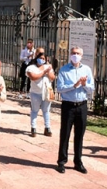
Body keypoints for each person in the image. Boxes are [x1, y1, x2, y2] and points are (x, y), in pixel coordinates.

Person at [55, 46, 94, 174]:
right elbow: (60, 88)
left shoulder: (87, 70)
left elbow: (91, 89)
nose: (75, 55)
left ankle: (78, 161)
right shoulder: (64, 70)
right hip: (68, 105)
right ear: (70, 54)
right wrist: (74, 85)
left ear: (82, 56)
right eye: (73, 53)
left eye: (78, 53)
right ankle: (61, 161)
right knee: (65, 134)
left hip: (82, 105)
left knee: (79, 135)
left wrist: (84, 85)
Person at [26, 48, 55, 137]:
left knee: (46, 110)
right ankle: (33, 128)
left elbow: (52, 77)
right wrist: (44, 72)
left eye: (43, 58)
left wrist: (48, 71)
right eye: (40, 58)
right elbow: (34, 77)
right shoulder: (31, 67)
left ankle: (47, 128)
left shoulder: (48, 67)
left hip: (46, 92)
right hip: (35, 93)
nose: (42, 60)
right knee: (35, 110)